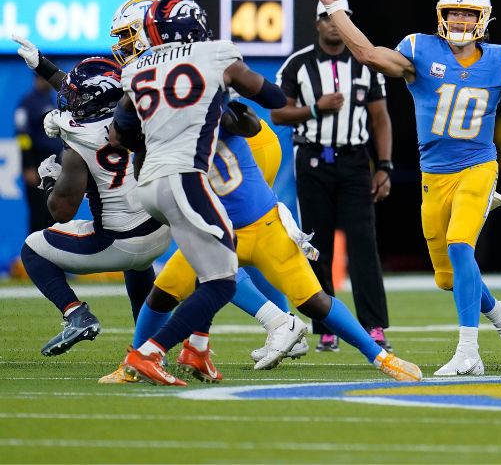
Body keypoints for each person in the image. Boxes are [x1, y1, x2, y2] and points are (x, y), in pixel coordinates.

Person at [310, 0, 501, 376]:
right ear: (441, 15)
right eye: (454, 11)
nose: (460, 19)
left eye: (468, 13)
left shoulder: (500, 59)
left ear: (483, 19)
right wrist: (336, 5)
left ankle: (468, 352)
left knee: (461, 245)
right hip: (434, 175)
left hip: (478, 165)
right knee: (448, 277)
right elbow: (369, 55)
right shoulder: (419, 49)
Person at [131, 94, 422, 382]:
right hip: (214, 229)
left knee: (314, 302)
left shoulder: (213, 108)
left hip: (262, 225)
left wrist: (226, 106)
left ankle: (380, 357)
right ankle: (137, 363)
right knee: (164, 293)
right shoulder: (159, 128)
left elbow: (253, 122)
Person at [110, 0, 289, 386]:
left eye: (131, 35)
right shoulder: (203, 56)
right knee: (216, 272)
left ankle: (198, 350)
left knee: (210, 260)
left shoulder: (142, 69)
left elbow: (122, 133)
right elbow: (269, 99)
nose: (127, 46)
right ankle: (155, 353)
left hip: (193, 168)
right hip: (187, 173)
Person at [16, 56, 171, 358]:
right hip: (160, 230)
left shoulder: (77, 137)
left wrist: (50, 179)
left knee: (32, 248)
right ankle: (149, 346)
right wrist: (42, 66)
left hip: (118, 241)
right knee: (138, 264)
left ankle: (76, 314)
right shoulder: (142, 112)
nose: (72, 99)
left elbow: (61, 211)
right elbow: (92, 91)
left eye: (80, 95)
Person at [271, 0, 393, 353]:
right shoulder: (298, 64)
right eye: (325, 18)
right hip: (312, 160)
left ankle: (373, 325)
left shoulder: (366, 64)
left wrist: (383, 166)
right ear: (317, 23)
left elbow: (380, 117)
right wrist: (314, 109)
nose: (332, 24)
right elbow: (279, 114)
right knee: (317, 245)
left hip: (355, 161)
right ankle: (326, 326)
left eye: (338, 18)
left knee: (364, 243)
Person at [15, 74, 64, 233]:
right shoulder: (28, 103)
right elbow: (23, 136)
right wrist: (28, 165)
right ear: (36, 79)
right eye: (43, 78)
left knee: (53, 212)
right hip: (37, 163)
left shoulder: (52, 101)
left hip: (55, 163)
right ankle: (34, 255)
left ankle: (52, 255)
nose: (46, 82)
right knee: (38, 212)